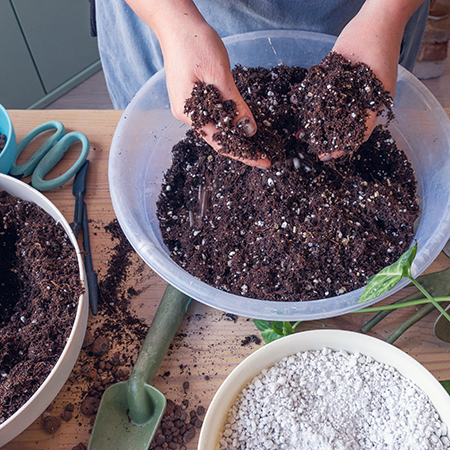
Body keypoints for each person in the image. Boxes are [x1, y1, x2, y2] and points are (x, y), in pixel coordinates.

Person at [95, 0, 430, 165]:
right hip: (166, 14)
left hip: (360, 13)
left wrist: (387, 13)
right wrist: (170, 23)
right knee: (160, 152)